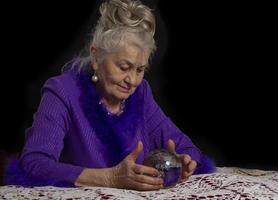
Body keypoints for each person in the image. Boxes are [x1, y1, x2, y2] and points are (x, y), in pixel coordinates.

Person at [5, 0, 215, 190]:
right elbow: (34, 164)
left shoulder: (141, 93)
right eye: (124, 67)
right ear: (96, 57)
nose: (132, 80)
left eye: (140, 70)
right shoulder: (61, 92)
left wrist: (185, 161)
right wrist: (110, 178)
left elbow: (187, 148)